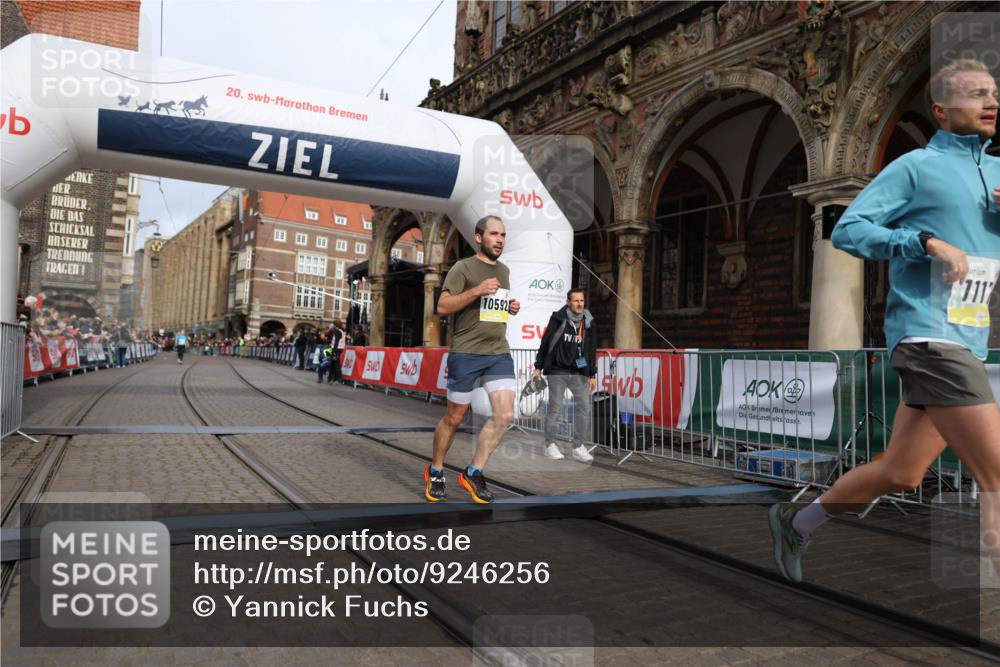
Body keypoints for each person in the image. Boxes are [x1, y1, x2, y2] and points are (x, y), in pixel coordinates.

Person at [769, 59, 1000, 583]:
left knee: (902, 472)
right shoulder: (916, 167)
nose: (992, 102)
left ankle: (795, 521)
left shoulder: (999, 172)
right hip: (928, 336)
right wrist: (922, 242)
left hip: (969, 338)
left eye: (994, 93)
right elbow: (849, 230)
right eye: (977, 94)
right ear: (941, 110)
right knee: (997, 477)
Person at [426, 215, 520, 503]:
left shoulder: (504, 270)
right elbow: (441, 307)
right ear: (479, 238)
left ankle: (473, 471)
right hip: (466, 352)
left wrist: (510, 306)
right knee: (454, 418)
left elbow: (493, 309)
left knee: (504, 416)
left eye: (503, 235)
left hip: (497, 352)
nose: (500, 240)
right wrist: (476, 290)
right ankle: (436, 470)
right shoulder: (462, 267)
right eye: (494, 234)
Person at [531, 288, 598, 462]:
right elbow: (545, 342)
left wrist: (592, 374)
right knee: (555, 409)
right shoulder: (558, 318)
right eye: (575, 301)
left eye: (582, 301)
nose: (579, 304)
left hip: (578, 372)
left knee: (584, 407)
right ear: (568, 302)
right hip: (557, 371)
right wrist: (538, 366)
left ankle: (578, 446)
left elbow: (591, 350)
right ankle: (550, 445)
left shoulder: (588, 321)